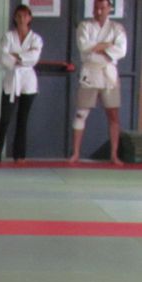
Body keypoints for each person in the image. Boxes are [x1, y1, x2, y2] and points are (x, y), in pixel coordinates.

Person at [69, 0, 127, 165]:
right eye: (96, 8)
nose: (99, 11)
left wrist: (97, 48)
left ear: (110, 8)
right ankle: (75, 153)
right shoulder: (84, 26)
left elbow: (121, 50)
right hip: (90, 73)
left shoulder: (117, 28)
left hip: (109, 75)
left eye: (102, 8)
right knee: (81, 114)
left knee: (113, 115)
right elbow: (84, 47)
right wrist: (107, 46)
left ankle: (114, 155)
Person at [0, 5, 43, 164]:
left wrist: (16, 56)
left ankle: (20, 155)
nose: (21, 19)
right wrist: (21, 57)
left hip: (28, 81)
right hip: (12, 79)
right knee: (5, 118)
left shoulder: (36, 39)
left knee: (22, 119)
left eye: (24, 16)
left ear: (29, 18)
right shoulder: (8, 36)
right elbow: (3, 58)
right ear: (14, 18)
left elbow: (34, 58)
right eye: (18, 16)